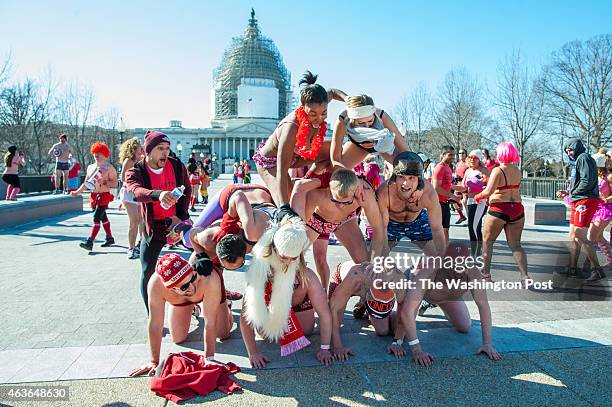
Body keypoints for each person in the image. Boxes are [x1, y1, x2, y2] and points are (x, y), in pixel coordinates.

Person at [240, 220, 334, 368]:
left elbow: (324, 312)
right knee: (268, 336)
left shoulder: (305, 274)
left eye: (294, 258)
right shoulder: (261, 270)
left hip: (297, 305)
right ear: (274, 250)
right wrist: (253, 353)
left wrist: (325, 348)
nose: (288, 263)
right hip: (270, 311)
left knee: (307, 330)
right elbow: (246, 317)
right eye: (284, 257)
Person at [253, 71, 347, 210]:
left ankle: (308, 179)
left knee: (335, 149)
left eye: (324, 113)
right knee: (290, 203)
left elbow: (332, 92)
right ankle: (280, 204)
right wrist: (284, 206)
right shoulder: (291, 128)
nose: (319, 118)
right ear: (303, 108)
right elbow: (282, 168)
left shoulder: (320, 101)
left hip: (297, 157)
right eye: (313, 114)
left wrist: (349, 100)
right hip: (271, 163)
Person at [399, 243, 502, 367]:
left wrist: (487, 344)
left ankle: (432, 304)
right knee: (399, 330)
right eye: (453, 265)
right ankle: (414, 305)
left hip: (447, 296)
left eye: (462, 265)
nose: (458, 269)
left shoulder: (473, 272)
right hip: (418, 290)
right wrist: (416, 350)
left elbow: (484, 307)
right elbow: (407, 311)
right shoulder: (430, 269)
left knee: (465, 326)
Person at [129, 253, 232, 376]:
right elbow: (155, 323)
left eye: (193, 278)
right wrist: (153, 361)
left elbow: (210, 322)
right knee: (178, 339)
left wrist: (209, 358)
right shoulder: (156, 284)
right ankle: (193, 307)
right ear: (171, 289)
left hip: (210, 294)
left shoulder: (209, 278)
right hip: (180, 300)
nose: (192, 286)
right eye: (184, 287)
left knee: (223, 334)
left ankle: (226, 305)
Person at [125, 131, 192, 311]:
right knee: (148, 271)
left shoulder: (177, 166)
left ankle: (198, 300)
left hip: (176, 222)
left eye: (167, 148)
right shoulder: (136, 171)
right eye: (160, 148)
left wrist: (181, 216)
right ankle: (152, 314)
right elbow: (135, 191)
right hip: (153, 227)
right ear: (148, 151)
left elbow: (187, 190)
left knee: (201, 255)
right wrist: (158, 194)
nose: (165, 153)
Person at [291, 168, 386, 291]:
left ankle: (365, 299)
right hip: (316, 220)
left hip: (345, 220)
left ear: (356, 191)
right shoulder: (316, 193)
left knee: (366, 265)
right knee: (293, 256)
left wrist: (375, 262)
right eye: (335, 200)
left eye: (346, 202)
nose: (341, 205)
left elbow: (378, 228)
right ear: (329, 189)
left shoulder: (364, 193)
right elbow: (301, 228)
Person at [329, 261, 410, 361]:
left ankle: (365, 310)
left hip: (367, 287)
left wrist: (397, 342)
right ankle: (363, 307)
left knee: (383, 331)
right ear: (367, 296)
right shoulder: (355, 277)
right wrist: (337, 346)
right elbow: (334, 310)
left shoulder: (398, 280)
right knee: (333, 326)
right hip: (344, 280)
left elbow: (405, 309)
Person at [476, 142, 529, 284]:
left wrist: (478, 196)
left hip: (499, 209)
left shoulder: (497, 171)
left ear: (500, 154)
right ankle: (525, 276)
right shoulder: (517, 170)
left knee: (487, 242)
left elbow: (489, 191)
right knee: (516, 245)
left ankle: (485, 275)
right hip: (517, 209)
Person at [556, 139, 606, 282]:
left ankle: (597, 270)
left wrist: (573, 193)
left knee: (579, 235)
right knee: (573, 235)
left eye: (570, 150)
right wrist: (569, 193)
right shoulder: (580, 159)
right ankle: (572, 268)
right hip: (579, 199)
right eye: (567, 151)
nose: (569, 153)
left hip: (585, 200)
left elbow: (587, 180)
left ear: (577, 148)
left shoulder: (583, 158)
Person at [377, 152, 445, 257]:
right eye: (401, 177)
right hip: (391, 224)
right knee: (377, 260)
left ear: (419, 179)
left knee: (437, 258)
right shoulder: (384, 192)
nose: (405, 183)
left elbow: (437, 229)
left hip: (418, 222)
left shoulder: (428, 194)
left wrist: (442, 259)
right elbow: (382, 229)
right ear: (395, 178)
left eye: (411, 178)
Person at [330, 94, 409, 170]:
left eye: (370, 121)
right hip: (358, 146)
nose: (367, 126)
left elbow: (405, 151)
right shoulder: (343, 121)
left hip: (384, 143)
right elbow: (335, 160)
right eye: (361, 123)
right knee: (336, 171)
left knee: (405, 166)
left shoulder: (382, 116)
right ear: (352, 120)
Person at [71, 142, 118, 251]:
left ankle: (90, 241)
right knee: (103, 217)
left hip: (104, 195)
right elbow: (86, 183)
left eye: (100, 152)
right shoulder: (90, 167)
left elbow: (115, 184)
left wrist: (105, 181)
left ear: (105, 154)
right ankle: (110, 238)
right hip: (94, 195)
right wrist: (77, 192)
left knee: (96, 217)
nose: (97, 154)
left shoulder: (109, 167)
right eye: (95, 152)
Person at [119, 137, 145, 259]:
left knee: (142, 220)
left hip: (139, 192)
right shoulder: (129, 161)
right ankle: (131, 248)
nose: (142, 149)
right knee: (134, 221)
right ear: (133, 148)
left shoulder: (143, 160)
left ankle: (142, 245)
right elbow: (123, 178)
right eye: (140, 147)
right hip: (129, 193)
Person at [432, 146, 465, 241]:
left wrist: (462, 188)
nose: (453, 157)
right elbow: (436, 187)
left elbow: (447, 185)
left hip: (445, 203)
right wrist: (453, 196)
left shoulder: (448, 168)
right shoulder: (439, 168)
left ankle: (444, 251)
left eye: (453, 155)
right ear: (443, 155)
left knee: (445, 229)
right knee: (439, 230)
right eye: (450, 155)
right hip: (437, 203)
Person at [586, 152, 612, 269]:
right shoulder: (593, 175)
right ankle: (610, 259)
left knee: (591, 237)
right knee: (599, 237)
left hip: (605, 209)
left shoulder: (609, 177)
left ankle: (589, 266)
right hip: (595, 208)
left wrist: (605, 200)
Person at [462, 149, 489, 257]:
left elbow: (491, 186)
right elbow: (464, 187)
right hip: (470, 201)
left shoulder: (484, 170)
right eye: (470, 158)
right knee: (475, 226)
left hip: (480, 201)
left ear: (479, 159)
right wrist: (450, 186)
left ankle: (475, 253)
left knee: (472, 226)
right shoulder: (468, 171)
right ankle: (476, 252)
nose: (472, 160)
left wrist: (483, 195)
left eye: (475, 158)